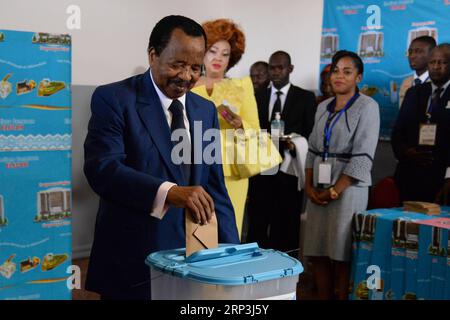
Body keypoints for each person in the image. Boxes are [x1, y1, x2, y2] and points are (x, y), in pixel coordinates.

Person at [83, 15, 239, 300]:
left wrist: (233, 255)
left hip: (191, 260)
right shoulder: (114, 99)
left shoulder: (205, 110)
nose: (186, 76)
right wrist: (169, 192)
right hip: (132, 260)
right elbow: (103, 169)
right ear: (153, 55)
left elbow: (214, 187)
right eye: (177, 64)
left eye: (195, 67)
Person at [302, 50, 380, 300]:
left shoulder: (368, 106)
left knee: (342, 252)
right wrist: (308, 185)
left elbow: (363, 156)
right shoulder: (323, 106)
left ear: (359, 77)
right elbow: (313, 149)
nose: (339, 76)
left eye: (347, 72)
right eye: (336, 70)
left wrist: (336, 190)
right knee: (317, 250)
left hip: (349, 188)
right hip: (319, 185)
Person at [191, 19, 261, 239]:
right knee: (195, 232)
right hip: (191, 164)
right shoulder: (186, 84)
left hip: (232, 173)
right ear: (202, 50)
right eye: (213, 51)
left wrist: (240, 124)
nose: (218, 58)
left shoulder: (241, 87)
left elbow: (256, 131)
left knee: (229, 231)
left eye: (225, 54)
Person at [246, 51, 316, 254]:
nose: (275, 72)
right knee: (257, 226)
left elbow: (310, 133)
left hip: (289, 171)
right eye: (272, 67)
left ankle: (285, 275)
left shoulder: (305, 97)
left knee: (286, 227)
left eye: (280, 67)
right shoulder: (256, 96)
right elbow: (249, 130)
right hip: (261, 172)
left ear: (290, 69)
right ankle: (253, 272)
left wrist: (294, 142)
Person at [392, 43, 450, 205]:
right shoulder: (414, 92)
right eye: (432, 62)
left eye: (443, 62)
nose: (436, 67)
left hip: (441, 176)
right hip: (411, 173)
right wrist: (405, 152)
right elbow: (398, 131)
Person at [399, 36, 436, 107]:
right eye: (410, 52)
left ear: (432, 54)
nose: (412, 56)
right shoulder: (406, 82)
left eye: (418, 51)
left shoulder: (439, 83)